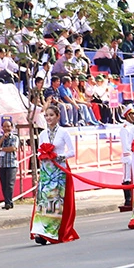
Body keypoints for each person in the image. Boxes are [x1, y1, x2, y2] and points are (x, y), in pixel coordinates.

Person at [31, 104, 79, 245]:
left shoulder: (64, 133)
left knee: (56, 201)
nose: (49, 118)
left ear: (58, 116)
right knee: (44, 201)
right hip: (47, 172)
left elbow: (72, 151)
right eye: (46, 115)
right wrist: (44, 156)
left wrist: (59, 156)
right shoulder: (42, 134)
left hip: (60, 171)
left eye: (52, 115)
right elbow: (39, 152)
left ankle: (54, 231)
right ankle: (41, 231)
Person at [0, 117, 19, 210]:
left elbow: (13, 148)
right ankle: (8, 202)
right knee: (4, 184)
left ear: (11, 127)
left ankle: (8, 202)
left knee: (10, 184)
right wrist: (2, 139)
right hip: (2, 164)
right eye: (4, 127)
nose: (6, 128)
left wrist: (1, 149)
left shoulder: (15, 138)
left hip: (11, 164)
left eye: (8, 126)